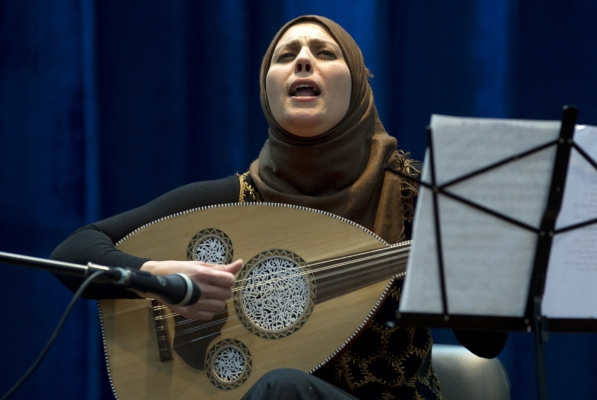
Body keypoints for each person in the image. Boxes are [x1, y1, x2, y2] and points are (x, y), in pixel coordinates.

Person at [51, 15, 507, 400]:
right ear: (266, 90)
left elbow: (486, 343)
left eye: (325, 54)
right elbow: (73, 250)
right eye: (286, 56)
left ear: (359, 88)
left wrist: (476, 257)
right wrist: (158, 279)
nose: (303, 60)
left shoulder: (421, 196)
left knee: (284, 389)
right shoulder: (237, 198)